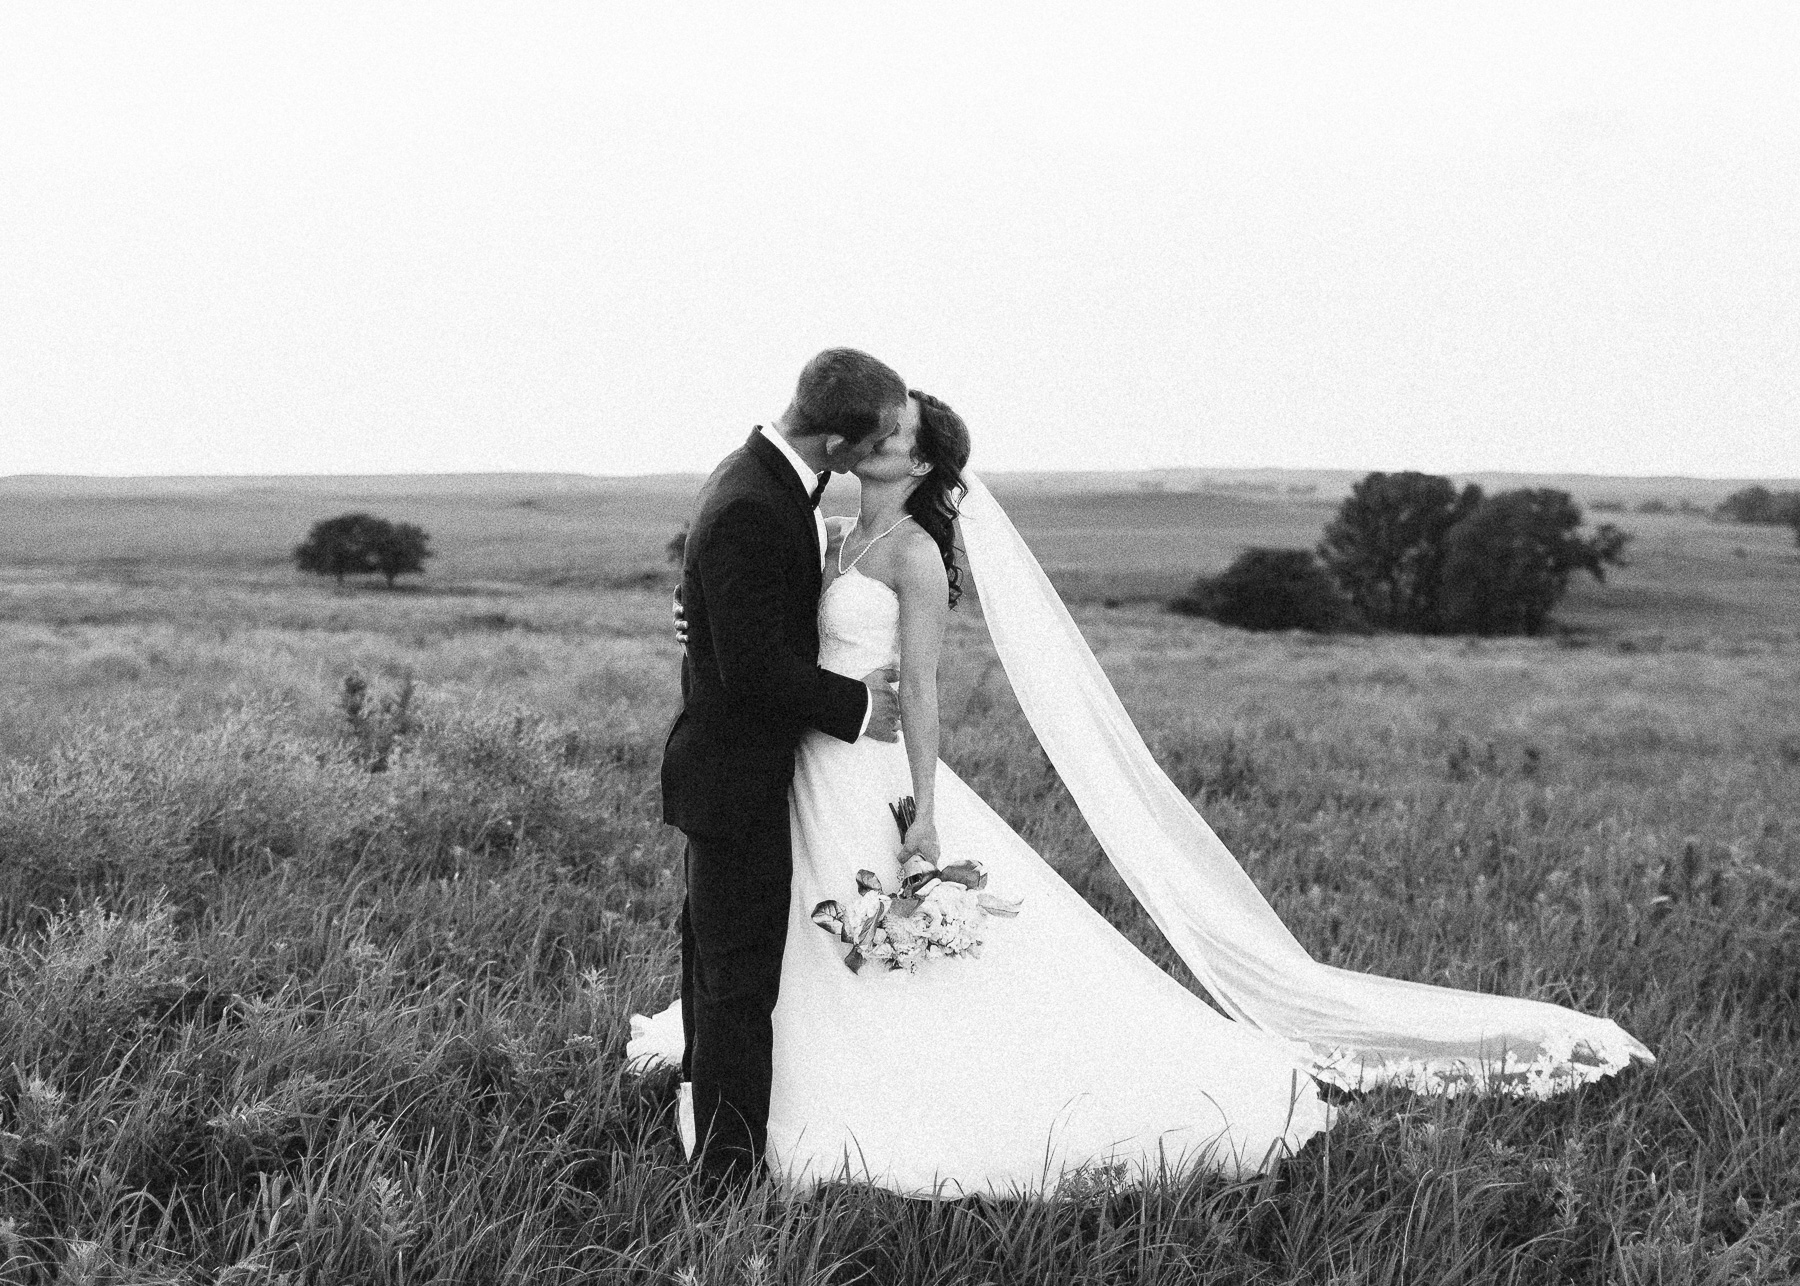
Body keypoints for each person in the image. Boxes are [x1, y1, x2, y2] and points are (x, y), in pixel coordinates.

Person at [641, 390, 1655, 1197]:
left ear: (921, 461)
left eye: (897, 436)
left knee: (877, 949)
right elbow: (764, 624)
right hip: (799, 768)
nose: (876, 441)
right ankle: (765, 1097)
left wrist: (928, 810)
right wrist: (711, 632)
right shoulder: (828, 531)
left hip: (863, 769)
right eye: (876, 429)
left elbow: (924, 696)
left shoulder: (912, 557)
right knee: (785, 944)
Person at [659, 348, 909, 1185]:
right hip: (736, 779)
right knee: (737, 982)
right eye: (872, 441)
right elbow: (754, 670)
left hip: (745, 770)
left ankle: (704, 1124)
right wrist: (861, 707)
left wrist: (705, 611)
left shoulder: (760, 476)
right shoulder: (753, 503)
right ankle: (726, 1176)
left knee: (717, 962)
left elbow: (747, 619)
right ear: (838, 444)